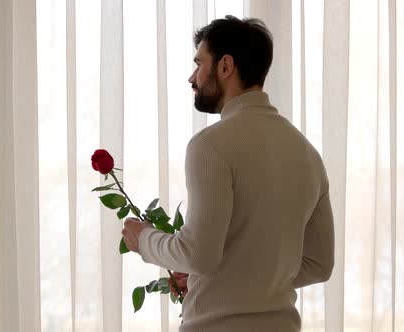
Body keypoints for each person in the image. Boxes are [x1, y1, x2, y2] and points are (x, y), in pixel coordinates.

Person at [121, 15, 334, 331]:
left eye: (199, 63)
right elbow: (319, 265)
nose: (192, 77)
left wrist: (144, 239)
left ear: (225, 66)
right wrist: (226, 281)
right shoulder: (307, 153)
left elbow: (197, 254)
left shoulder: (210, 146)